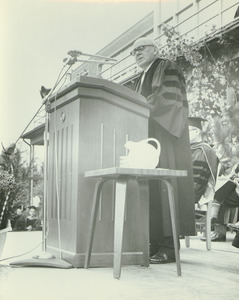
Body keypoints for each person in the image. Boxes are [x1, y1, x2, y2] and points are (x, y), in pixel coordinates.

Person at [131, 37, 195, 263]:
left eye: (141, 48)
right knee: (152, 188)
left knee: (165, 186)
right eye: (133, 51)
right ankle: (155, 243)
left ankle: (169, 246)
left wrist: (137, 109)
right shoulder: (141, 76)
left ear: (154, 49)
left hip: (166, 134)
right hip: (149, 135)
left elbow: (165, 100)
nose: (136, 53)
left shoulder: (165, 66)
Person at [188, 117, 219, 209]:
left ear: (197, 132)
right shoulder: (192, 149)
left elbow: (195, 183)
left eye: (187, 131)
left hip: (193, 197)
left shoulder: (203, 151)